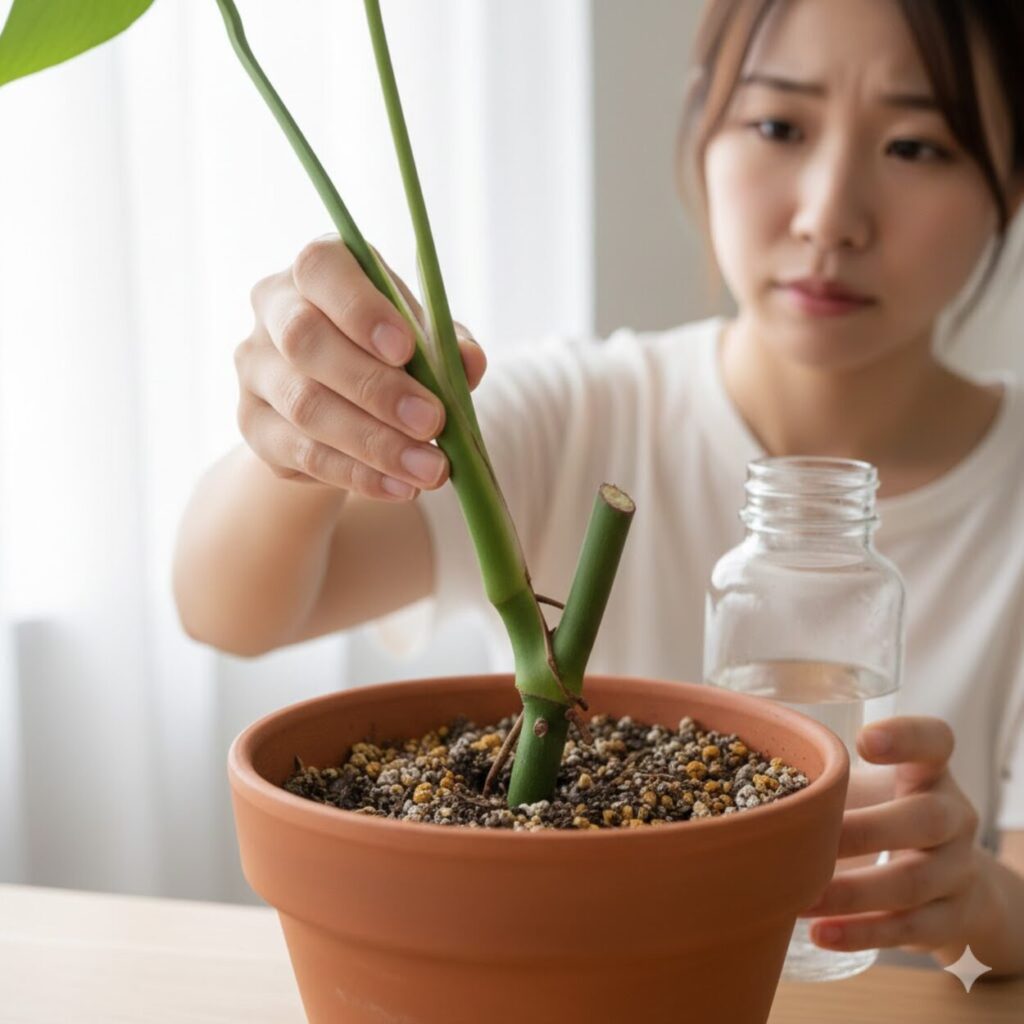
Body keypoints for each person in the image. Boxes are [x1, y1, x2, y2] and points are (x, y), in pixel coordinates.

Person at [173, 0, 1024, 977]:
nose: (828, 216)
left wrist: (982, 899)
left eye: (915, 146)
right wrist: (297, 443)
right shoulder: (572, 414)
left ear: (1008, 178)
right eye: (778, 125)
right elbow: (227, 605)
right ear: (700, 129)